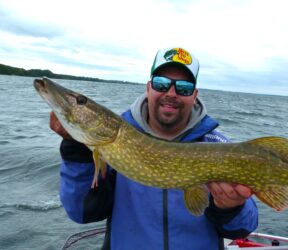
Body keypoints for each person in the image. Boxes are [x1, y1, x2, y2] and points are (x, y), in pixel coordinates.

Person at [51, 47, 258, 250]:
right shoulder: (112, 143)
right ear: (149, 87)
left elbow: (245, 227)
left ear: (194, 95)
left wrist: (231, 207)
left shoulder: (218, 145)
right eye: (161, 84)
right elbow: (81, 212)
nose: (171, 93)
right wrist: (76, 149)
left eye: (183, 88)